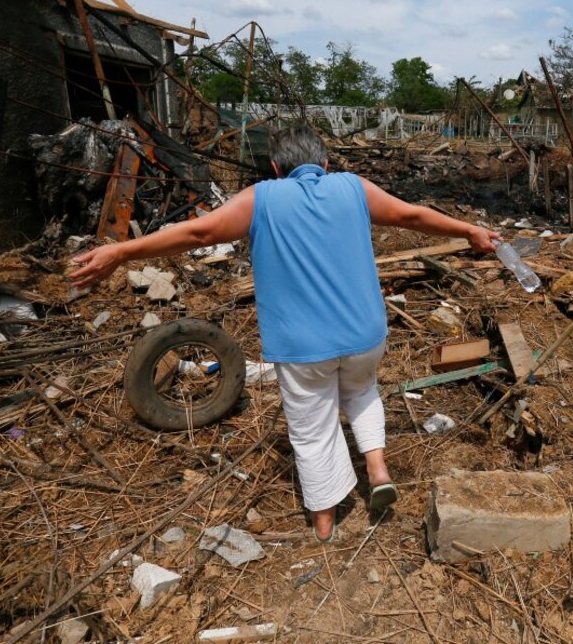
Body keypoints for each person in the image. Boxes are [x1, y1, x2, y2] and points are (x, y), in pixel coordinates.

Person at [68, 126, 498, 543]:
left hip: (302, 345)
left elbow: (199, 232)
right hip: (366, 334)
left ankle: (326, 519)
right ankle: (377, 468)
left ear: (275, 167)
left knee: (312, 426)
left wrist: (122, 250)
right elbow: (411, 215)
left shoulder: (261, 198)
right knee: (362, 389)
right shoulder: (354, 187)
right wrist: (468, 229)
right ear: (325, 163)